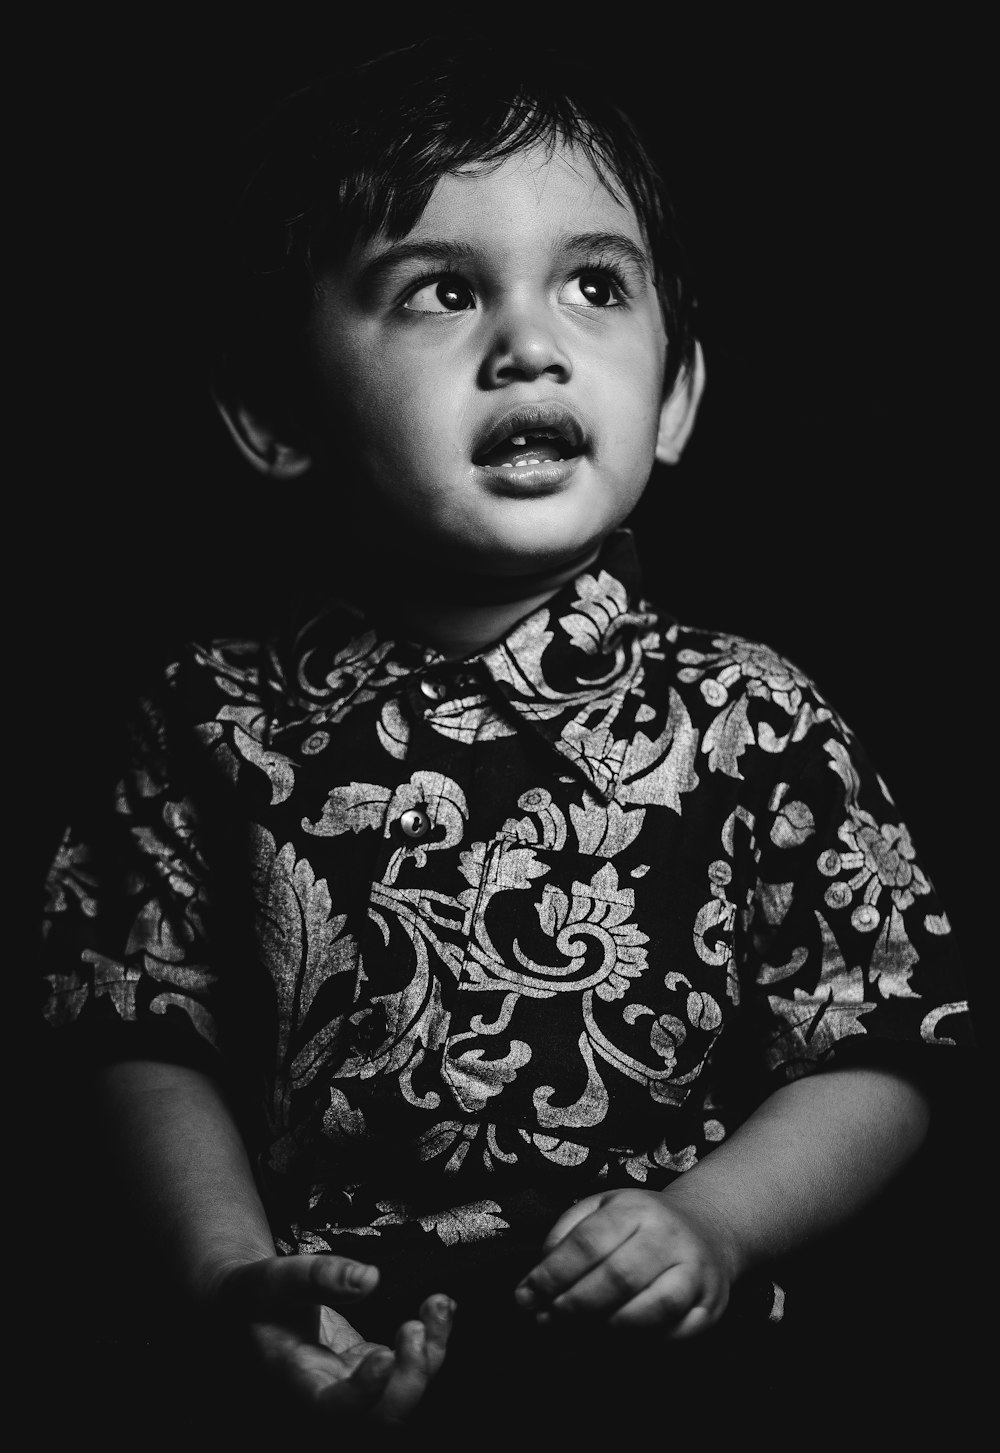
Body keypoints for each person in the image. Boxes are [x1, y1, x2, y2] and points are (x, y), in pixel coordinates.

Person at [37, 38, 976, 1444]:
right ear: (275, 410)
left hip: (680, 1381)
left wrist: (710, 1228)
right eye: (442, 291)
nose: (529, 343)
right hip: (341, 1356)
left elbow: (888, 1040)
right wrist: (226, 1274)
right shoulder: (209, 718)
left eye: (596, 285)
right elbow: (131, 1029)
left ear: (671, 400)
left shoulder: (749, 713)